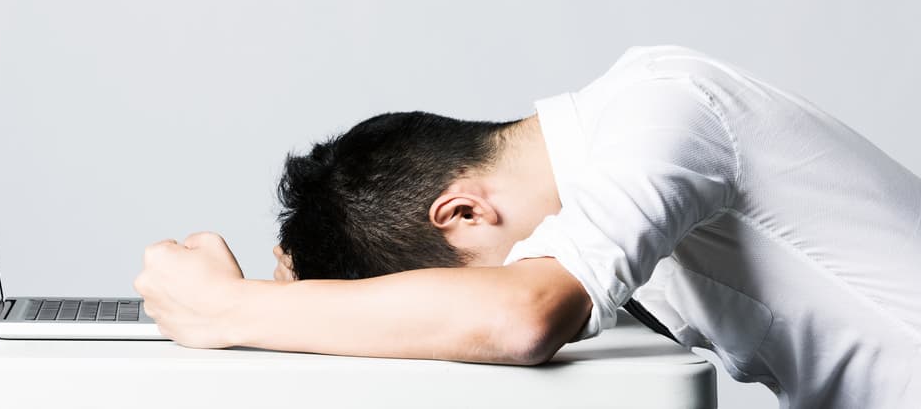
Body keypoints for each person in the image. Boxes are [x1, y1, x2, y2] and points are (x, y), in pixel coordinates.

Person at [134, 44, 920, 408]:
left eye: (457, 288)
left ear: (463, 211)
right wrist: (312, 298)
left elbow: (520, 316)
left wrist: (230, 308)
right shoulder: (622, 192)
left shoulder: (662, 110)